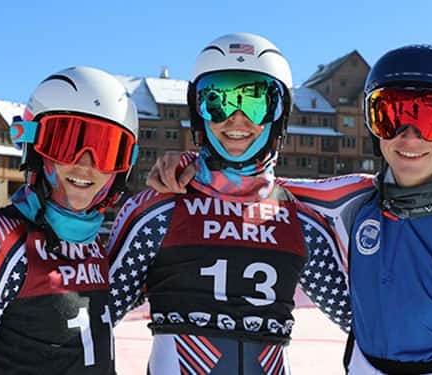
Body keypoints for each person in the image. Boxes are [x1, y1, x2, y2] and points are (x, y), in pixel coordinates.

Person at [148, 45, 432, 374]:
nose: (408, 137)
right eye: (391, 115)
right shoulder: (352, 201)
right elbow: (251, 185)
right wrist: (191, 164)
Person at [107, 32, 351, 374]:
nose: (236, 118)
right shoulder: (157, 210)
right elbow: (92, 321)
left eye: (256, 101)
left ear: (279, 114)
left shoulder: (301, 221)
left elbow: (364, 324)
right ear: (198, 111)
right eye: (217, 100)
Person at [0, 66, 139, 374]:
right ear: (34, 145)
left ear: (122, 168)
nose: (85, 164)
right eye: (67, 143)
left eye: (106, 150)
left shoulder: (92, 247)